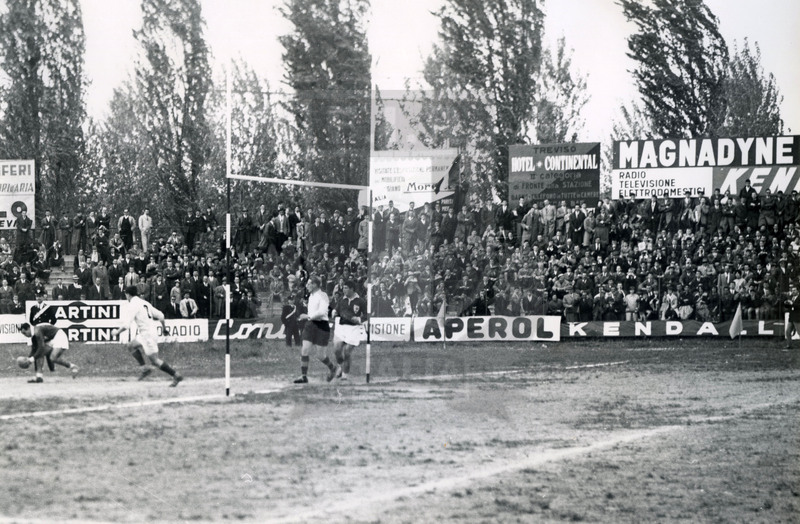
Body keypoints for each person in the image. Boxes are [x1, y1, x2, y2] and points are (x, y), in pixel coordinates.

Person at [111, 285, 183, 386]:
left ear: (127, 294)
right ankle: (145, 368)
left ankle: (175, 375)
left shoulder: (132, 305)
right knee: (131, 345)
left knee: (155, 361)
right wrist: (164, 328)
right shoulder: (144, 302)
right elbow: (161, 315)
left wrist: (116, 332)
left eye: (126, 294)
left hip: (147, 335)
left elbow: (126, 325)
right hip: (147, 332)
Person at [293, 275, 340, 384]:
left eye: (309, 283)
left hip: (322, 326)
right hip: (310, 325)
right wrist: (308, 317)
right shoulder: (311, 296)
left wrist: (308, 316)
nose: (307, 285)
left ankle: (333, 369)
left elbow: (323, 312)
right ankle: (304, 376)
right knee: (304, 350)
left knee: (320, 355)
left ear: (315, 284)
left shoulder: (322, 295)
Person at [332, 280, 367, 381]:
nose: (344, 290)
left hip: (354, 329)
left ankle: (345, 374)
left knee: (347, 351)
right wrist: (334, 312)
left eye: (346, 288)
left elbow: (366, 315)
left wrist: (359, 319)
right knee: (337, 350)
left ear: (352, 289)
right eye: (343, 288)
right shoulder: (342, 300)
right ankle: (340, 366)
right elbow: (336, 309)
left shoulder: (360, 301)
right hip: (341, 327)